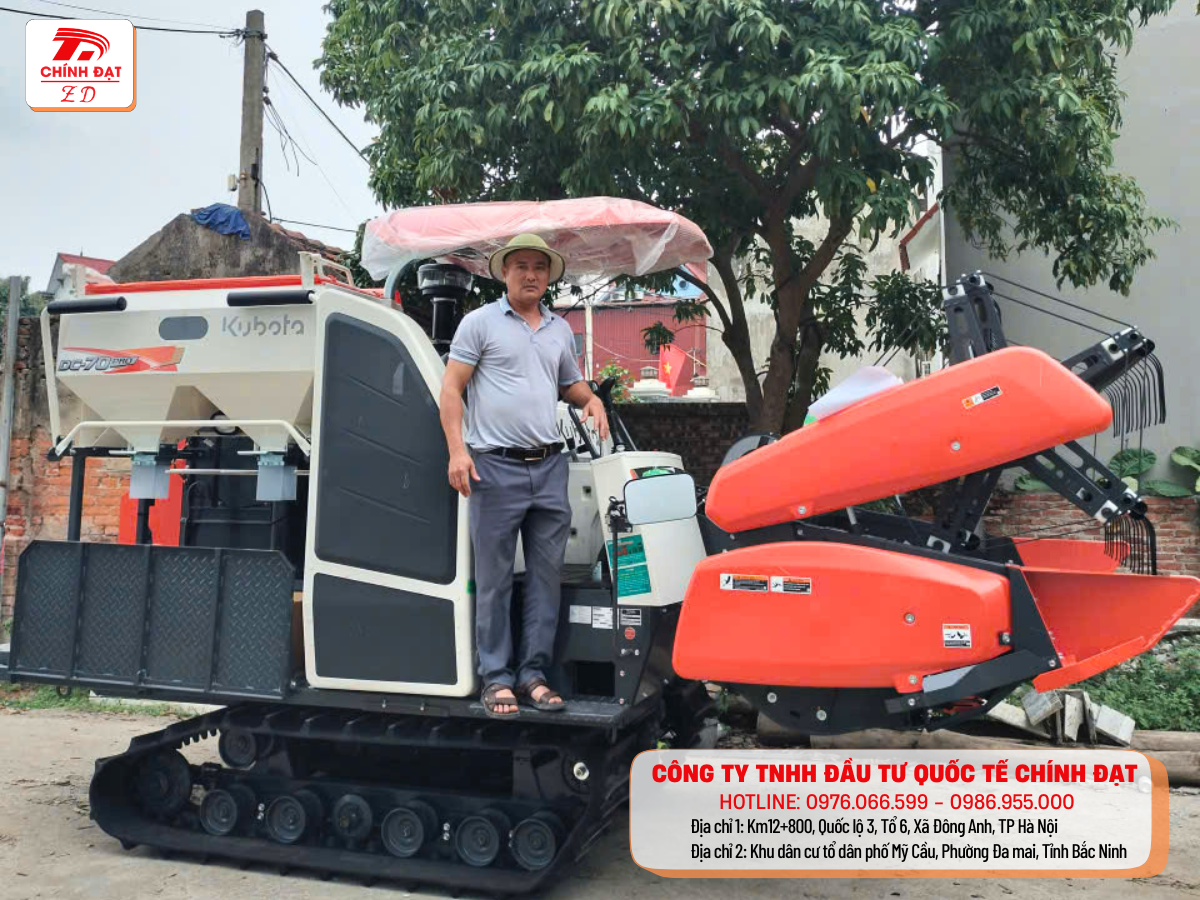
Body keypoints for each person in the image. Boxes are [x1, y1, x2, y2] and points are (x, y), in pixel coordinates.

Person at [439, 234, 610, 718]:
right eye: (521, 266)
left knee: (545, 579)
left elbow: (569, 383)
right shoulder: (480, 323)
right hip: (494, 467)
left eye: (539, 267)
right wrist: (457, 452)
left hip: (550, 467)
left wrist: (592, 399)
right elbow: (451, 389)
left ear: (549, 276)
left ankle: (533, 675)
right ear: (504, 273)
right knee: (494, 580)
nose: (531, 274)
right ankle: (496, 678)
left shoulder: (559, 330)